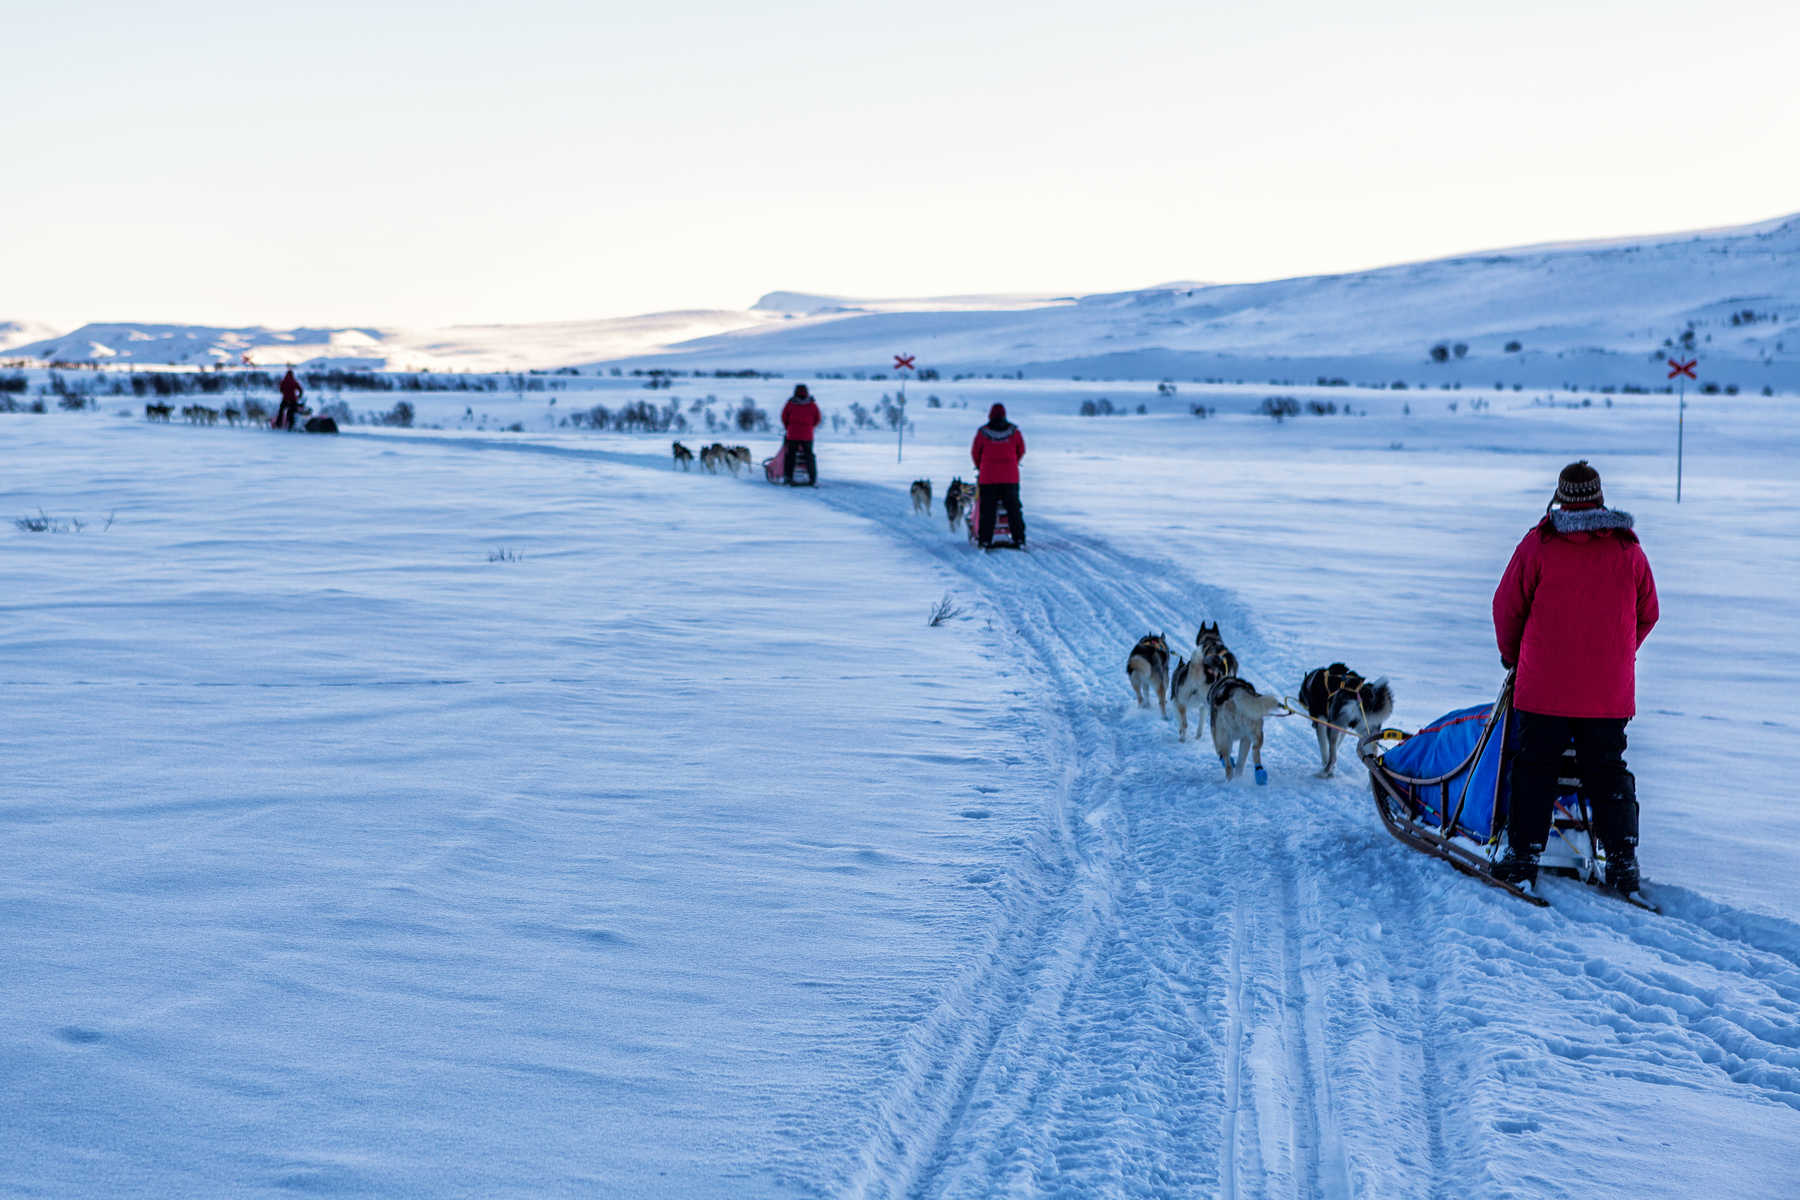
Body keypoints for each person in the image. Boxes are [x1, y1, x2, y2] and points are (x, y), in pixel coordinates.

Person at [1491, 461, 1658, 894]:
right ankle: (1622, 862)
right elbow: (1648, 613)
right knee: (1607, 772)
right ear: (1600, 497)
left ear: (1560, 497)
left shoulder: (1539, 544)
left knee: (1534, 769)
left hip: (1542, 690)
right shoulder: (1628, 551)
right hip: (1607, 697)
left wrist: (1514, 658)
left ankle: (1522, 857)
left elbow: (1506, 608)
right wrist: (1617, 657)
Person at [971, 403, 1026, 549]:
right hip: (1010, 477)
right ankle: (1019, 539)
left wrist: (980, 466)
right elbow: (1021, 449)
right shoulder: (1014, 432)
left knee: (988, 510)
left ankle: (985, 541)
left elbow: (975, 452)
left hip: (988, 478)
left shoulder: (983, 432)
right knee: (1014, 510)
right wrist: (1013, 462)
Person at [779, 384, 820, 486]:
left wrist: (788, 427)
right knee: (809, 456)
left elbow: (784, 417)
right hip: (807, 435)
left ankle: (788, 477)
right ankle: (812, 478)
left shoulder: (790, 404)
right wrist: (810, 427)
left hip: (793, 434)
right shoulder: (812, 405)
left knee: (790, 456)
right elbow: (817, 418)